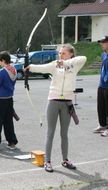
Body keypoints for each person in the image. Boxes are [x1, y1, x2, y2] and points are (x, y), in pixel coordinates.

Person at [24, 44, 86, 172]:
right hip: (53, 101)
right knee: (50, 133)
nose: (60, 55)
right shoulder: (55, 64)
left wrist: (66, 63)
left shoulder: (74, 64)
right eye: (60, 53)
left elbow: (83, 58)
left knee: (64, 134)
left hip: (67, 102)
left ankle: (65, 160)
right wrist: (30, 67)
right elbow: (42, 68)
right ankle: (48, 162)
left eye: (63, 53)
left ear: (70, 54)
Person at [94, 36, 108, 137]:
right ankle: (103, 125)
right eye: (101, 42)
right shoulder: (104, 54)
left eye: (103, 42)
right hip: (102, 84)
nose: (101, 44)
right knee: (101, 106)